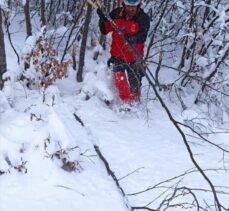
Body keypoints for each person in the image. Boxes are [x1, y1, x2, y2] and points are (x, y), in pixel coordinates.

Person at [97, 0, 150, 104]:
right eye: (129, 6)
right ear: (124, 5)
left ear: (138, 6)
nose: (131, 9)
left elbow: (143, 35)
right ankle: (126, 104)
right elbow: (104, 30)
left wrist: (133, 38)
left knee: (135, 86)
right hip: (118, 56)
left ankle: (135, 104)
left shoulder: (143, 18)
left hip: (135, 58)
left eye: (133, 7)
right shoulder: (116, 14)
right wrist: (102, 19)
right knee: (121, 83)